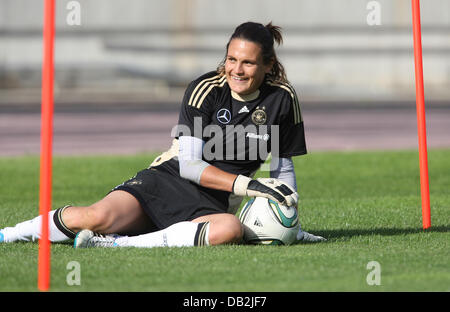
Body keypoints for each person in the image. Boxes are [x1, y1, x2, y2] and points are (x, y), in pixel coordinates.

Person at [0, 21, 325, 248]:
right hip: (167, 181)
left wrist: (289, 222)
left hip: (214, 202)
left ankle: (115, 245)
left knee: (229, 229)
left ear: (268, 65)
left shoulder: (283, 98)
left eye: (248, 63)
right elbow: (190, 166)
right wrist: (249, 185)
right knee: (93, 216)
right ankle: (8, 235)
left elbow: (282, 167)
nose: (236, 70)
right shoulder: (205, 89)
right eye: (231, 59)